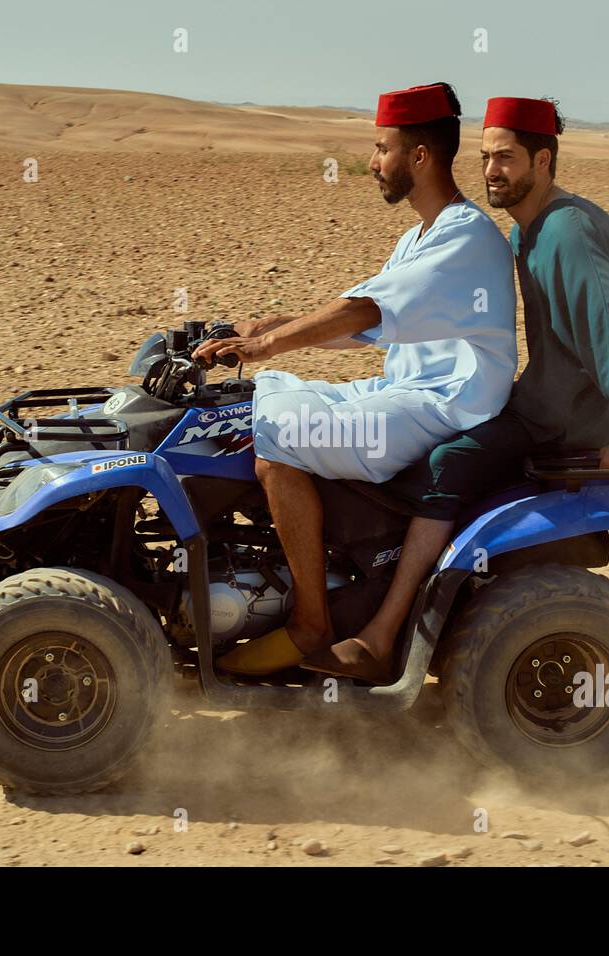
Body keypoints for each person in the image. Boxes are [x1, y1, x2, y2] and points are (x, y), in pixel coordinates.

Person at [302, 96, 609, 684]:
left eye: (508, 158)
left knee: (450, 461)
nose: (492, 170)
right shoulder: (526, 233)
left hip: (566, 420)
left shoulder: (568, 230)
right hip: (541, 403)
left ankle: (383, 635)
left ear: (543, 160)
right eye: (487, 157)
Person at [192, 82, 517, 677]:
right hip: (404, 391)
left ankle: (310, 622)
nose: (371, 164)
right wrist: (261, 327)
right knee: (263, 396)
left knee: (276, 433)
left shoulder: (465, 237)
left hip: (443, 406)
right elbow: (366, 327)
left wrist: (265, 343)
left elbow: (365, 311)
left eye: (380, 148)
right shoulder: (421, 235)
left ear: (418, 156)